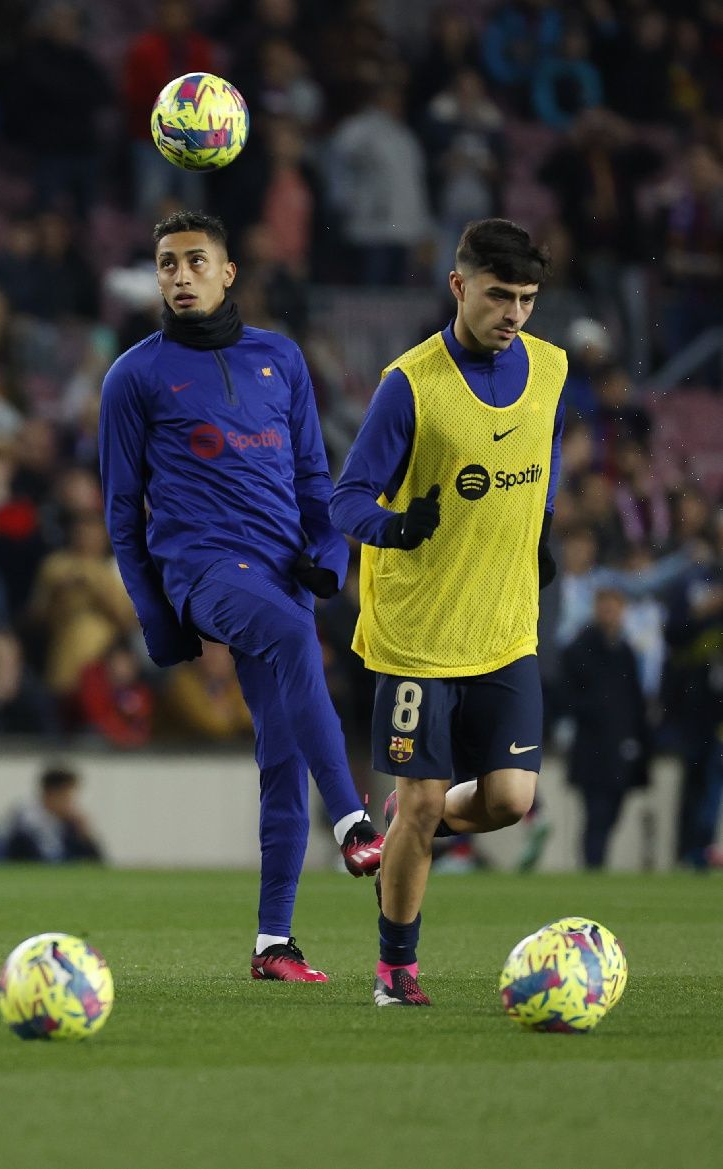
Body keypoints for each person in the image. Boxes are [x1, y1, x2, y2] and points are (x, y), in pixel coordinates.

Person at [99, 210, 384, 984]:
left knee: (282, 756)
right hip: (202, 569)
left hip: (282, 574)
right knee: (299, 647)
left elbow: (312, 477)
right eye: (166, 264)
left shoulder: (281, 359)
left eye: (195, 261)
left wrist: (328, 555)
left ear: (228, 273)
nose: (180, 275)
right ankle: (355, 819)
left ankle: (273, 943)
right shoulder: (134, 375)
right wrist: (156, 615)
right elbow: (122, 514)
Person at [331, 218, 565, 1007]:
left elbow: (543, 450)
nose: (515, 314)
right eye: (501, 296)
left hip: (504, 627)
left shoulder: (553, 368)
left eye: (528, 299)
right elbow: (345, 501)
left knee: (509, 801)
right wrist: (396, 527)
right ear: (460, 287)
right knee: (428, 805)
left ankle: (409, 821)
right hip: (418, 639)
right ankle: (396, 970)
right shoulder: (411, 383)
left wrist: (542, 529)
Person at [562, 587, 650, 869]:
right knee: (597, 812)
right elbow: (567, 697)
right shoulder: (580, 648)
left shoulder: (625, 651)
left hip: (621, 748)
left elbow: (635, 701)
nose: (610, 614)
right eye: (605, 607)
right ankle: (593, 864)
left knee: (612, 812)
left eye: (615, 608)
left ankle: (595, 863)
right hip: (593, 748)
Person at [8, 766, 103, 863]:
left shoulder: (68, 824)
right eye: (67, 797)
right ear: (51, 794)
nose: (70, 803)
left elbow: (96, 862)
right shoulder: (27, 821)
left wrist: (85, 837)